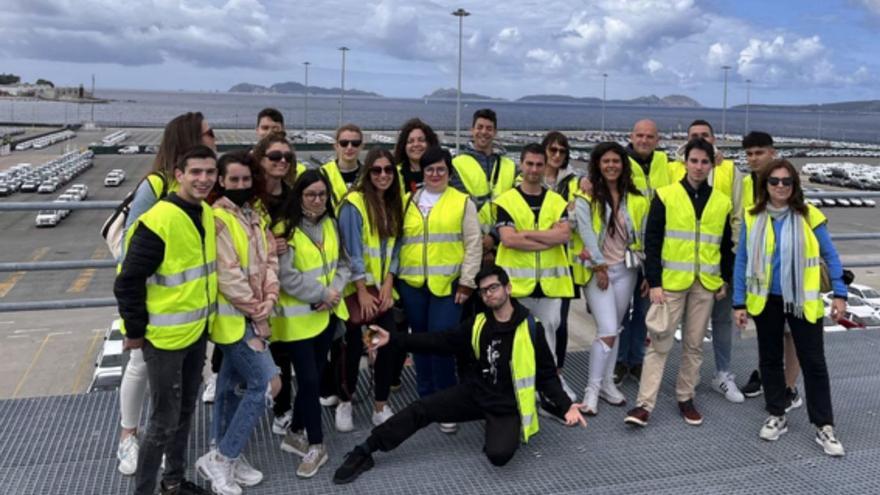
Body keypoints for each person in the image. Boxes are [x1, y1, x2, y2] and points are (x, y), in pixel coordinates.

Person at [331, 266, 587, 485]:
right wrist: (393, 340)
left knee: (498, 456)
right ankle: (366, 449)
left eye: (494, 287)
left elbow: (546, 374)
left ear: (508, 288)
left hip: (507, 404)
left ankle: (499, 425)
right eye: (484, 290)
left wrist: (565, 406)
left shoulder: (531, 327)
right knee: (422, 409)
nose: (489, 294)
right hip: (475, 393)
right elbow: (439, 340)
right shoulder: (478, 323)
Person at [115, 112, 217, 477]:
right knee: (158, 407)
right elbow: (132, 259)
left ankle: (173, 480)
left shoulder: (203, 207)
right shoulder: (156, 192)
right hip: (157, 322)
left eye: (210, 172)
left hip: (190, 326)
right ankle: (130, 437)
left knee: (181, 409)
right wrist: (135, 327)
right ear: (181, 172)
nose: (214, 136)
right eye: (209, 132)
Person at [733, 159, 846, 456]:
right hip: (766, 299)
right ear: (764, 185)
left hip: (802, 300)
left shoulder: (809, 216)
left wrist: (840, 294)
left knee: (814, 363)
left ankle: (824, 425)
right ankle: (777, 413)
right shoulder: (752, 217)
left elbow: (831, 257)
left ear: (795, 185)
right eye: (774, 181)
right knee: (769, 360)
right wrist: (738, 301)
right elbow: (742, 260)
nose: (780, 186)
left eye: (786, 181)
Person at [624, 138, 733, 428]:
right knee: (659, 342)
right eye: (694, 160)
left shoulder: (721, 202)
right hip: (671, 283)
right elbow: (653, 240)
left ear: (712, 164)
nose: (698, 167)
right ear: (685, 162)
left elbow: (723, 246)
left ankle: (686, 398)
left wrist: (723, 278)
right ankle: (643, 404)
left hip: (705, 284)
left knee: (694, 345)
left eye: (704, 162)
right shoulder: (665, 195)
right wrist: (654, 280)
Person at [194, 151, 281, 495]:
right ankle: (224, 457)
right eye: (234, 180)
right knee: (265, 383)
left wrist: (270, 299)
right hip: (235, 320)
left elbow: (270, 259)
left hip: (256, 311)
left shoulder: (254, 215)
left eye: (246, 179)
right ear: (221, 181)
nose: (241, 185)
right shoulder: (217, 218)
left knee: (230, 389)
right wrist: (260, 313)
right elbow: (227, 275)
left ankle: (225, 453)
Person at [271, 169, 351, 479]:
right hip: (299, 321)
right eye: (310, 195)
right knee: (309, 381)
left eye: (322, 194)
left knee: (314, 375)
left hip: (326, 315)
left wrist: (333, 294)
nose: (317, 200)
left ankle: (295, 431)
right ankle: (316, 445)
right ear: (299, 196)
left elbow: (343, 263)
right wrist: (322, 293)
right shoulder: (284, 230)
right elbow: (286, 276)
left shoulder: (331, 224)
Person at [397, 146, 482, 433]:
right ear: (422, 172)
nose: (435, 174)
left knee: (443, 344)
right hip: (413, 286)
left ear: (448, 171)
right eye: (430, 169)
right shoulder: (409, 200)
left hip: (448, 287)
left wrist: (467, 281)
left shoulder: (462, 202)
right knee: (419, 341)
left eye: (440, 169)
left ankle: (446, 403)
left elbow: (473, 244)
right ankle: (426, 397)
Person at [494, 143, 574, 419]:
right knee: (516, 341)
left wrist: (526, 236)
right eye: (529, 164)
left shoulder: (556, 201)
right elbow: (508, 240)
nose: (534, 170)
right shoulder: (506, 201)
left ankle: (550, 396)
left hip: (550, 285)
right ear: (521, 165)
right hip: (516, 286)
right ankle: (518, 393)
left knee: (548, 339)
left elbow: (563, 236)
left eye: (539, 165)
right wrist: (544, 238)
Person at [571, 142, 648, 415]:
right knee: (606, 328)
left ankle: (606, 384)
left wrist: (646, 273)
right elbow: (586, 233)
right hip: (597, 272)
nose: (611, 165)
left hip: (626, 270)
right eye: (606, 161)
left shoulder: (637, 199)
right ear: (597, 165)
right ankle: (591, 391)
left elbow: (643, 237)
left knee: (614, 329)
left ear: (623, 165)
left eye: (616, 161)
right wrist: (599, 266)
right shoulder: (585, 196)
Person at [332, 148, 405, 431]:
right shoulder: (354, 204)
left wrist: (388, 283)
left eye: (388, 170)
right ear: (367, 173)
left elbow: (395, 248)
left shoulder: (393, 204)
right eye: (377, 170)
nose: (383, 175)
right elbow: (352, 250)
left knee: (386, 344)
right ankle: (346, 402)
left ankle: (380, 405)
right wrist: (362, 289)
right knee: (350, 350)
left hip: (381, 289)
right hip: (355, 290)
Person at [672, 120, 743, 404]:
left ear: (714, 140)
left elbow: (736, 215)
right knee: (690, 326)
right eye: (694, 137)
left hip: (720, 260)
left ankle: (723, 374)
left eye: (704, 136)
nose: (700, 140)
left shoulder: (729, 170)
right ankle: (690, 376)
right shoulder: (674, 169)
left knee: (722, 320)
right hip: (686, 266)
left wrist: (732, 263)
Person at [733, 132, 802, 407]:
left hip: (787, 273)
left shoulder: (785, 183)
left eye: (759, 152)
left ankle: (789, 386)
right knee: (767, 330)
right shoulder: (745, 182)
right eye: (749, 154)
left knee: (790, 334)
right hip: (757, 268)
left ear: (772, 152)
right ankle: (766, 376)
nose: (753, 158)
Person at [615, 119, 676, 385]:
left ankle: (636, 359)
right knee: (618, 312)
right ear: (631, 136)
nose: (644, 140)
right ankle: (618, 361)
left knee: (643, 311)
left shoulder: (667, 163)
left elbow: (701, 163)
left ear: (657, 139)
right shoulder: (620, 161)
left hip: (653, 251)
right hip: (622, 250)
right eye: (639, 135)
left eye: (650, 136)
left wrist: (718, 158)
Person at [540, 131, 581, 400]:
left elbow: (576, 217)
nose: (556, 155)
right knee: (534, 323)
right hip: (531, 262)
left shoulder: (575, 182)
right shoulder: (526, 177)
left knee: (560, 323)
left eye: (561, 151)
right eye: (552, 150)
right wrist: (555, 224)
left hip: (563, 262)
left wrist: (561, 223)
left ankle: (558, 375)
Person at [450, 108, 517, 261]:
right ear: (472, 130)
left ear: (495, 132)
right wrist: (481, 242)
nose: (484, 132)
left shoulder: (510, 166)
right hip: (470, 245)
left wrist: (494, 237)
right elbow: (460, 207)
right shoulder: (457, 164)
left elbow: (515, 205)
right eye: (479, 127)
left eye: (489, 128)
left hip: (504, 246)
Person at [322, 123, 365, 207]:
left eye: (355, 143)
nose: (349, 147)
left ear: (361, 146)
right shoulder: (322, 174)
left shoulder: (369, 175)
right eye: (344, 143)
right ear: (336, 146)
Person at [393, 118, 439, 194]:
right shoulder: (395, 174)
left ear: (429, 143)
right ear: (404, 146)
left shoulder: (441, 172)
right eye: (410, 141)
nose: (416, 144)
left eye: (421, 140)